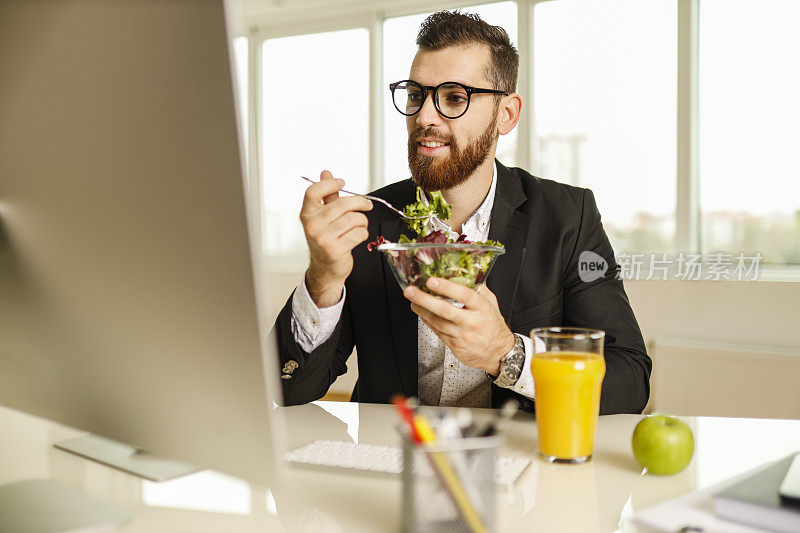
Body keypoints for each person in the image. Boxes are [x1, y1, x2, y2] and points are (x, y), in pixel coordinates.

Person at [270, 10, 651, 414]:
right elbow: (285, 391)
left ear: (506, 114)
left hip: (519, 466)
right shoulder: (369, 222)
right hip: (393, 464)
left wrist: (505, 354)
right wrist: (323, 279)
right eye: (416, 95)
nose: (424, 117)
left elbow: (629, 380)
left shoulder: (567, 218)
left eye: (454, 97)